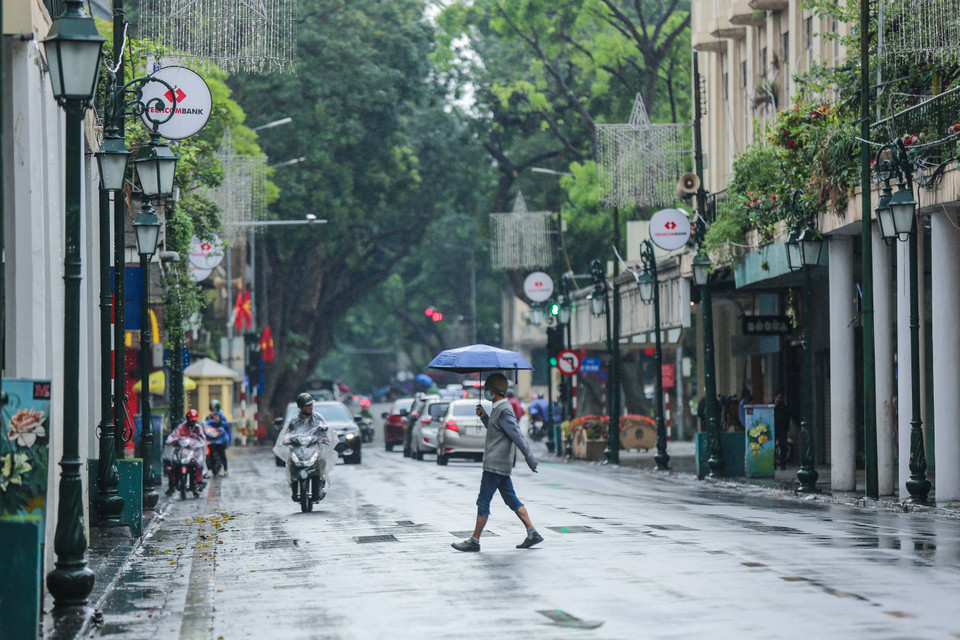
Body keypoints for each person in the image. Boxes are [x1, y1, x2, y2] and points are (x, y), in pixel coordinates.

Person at [452, 373, 542, 552]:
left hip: (495, 464)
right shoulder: (498, 409)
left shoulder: (504, 410)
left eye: (487, 389)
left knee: (483, 500)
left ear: (494, 391)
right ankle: (532, 532)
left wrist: (531, 460)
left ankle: (474, 540)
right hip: (499, 464)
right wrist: (485, 417)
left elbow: (517, 436)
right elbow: (498, 432)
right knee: (511, 499)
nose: (485, 392)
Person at [275, 393, 330, 502]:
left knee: (322, 459)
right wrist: (286, 439)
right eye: (307, 405)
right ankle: (294, 489)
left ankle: (320, 480)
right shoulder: (294, 421)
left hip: (314, 448)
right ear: (301, 407)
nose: (310, 407)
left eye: (311, 404)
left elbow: (324, 430)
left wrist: (324, 438)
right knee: (292, 462)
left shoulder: (317, 418)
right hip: (298, 449)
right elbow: (288, 433)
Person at [165, 409, 207, 495]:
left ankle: (198, 481)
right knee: (171, 467)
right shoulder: (181, 428)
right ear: (187, 419)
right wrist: (173, 440)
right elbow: (172, 436)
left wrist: (198, 435)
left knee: (198, 465)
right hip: (181, 453)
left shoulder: (198, 428)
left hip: (193, 454)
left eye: (194, 420)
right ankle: (172, 486)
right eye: (191, 420)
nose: (193, 422)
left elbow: (203, 440)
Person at [206, 400, 231, 476]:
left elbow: (225, 426)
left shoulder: (221, 416)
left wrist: (219, 421)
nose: (214, 409)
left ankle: (225, 469)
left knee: (222, 453)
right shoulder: (208, 416)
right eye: (212, 408)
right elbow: (205, 424)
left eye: (215, 407)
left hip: (220, 438)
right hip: (211, 437)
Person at [774, 391, 789, 470]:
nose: (780, 399)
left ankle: (783, 464)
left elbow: (787, 419)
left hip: (782, 430)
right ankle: (774, 464)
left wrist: (786, 428)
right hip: (774, 429)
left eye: (781, 398)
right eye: (779, 398)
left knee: (783, 447)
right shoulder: (773, 407)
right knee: (772, 447)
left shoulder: (784, 407)